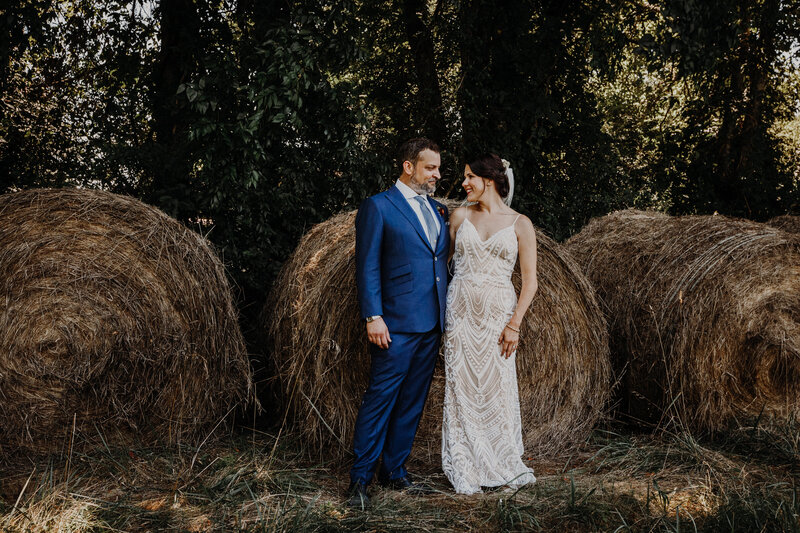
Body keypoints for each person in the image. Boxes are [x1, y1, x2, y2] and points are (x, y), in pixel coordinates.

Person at [348, 138, 450, 508]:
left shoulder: (439, 211)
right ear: (409, 167)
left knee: (412, 402)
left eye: (438, 168)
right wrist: (373, 316)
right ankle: (360, 480)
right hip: (395, 324)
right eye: (431, 168)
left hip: (431, 325)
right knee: (380, 400)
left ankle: (394, 472)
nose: (437, 174)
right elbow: (367, 266)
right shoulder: (379, 206)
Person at [441, 153, 538, 494]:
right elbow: (442, 267)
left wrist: (515, 325)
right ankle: (466, 463)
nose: (463, 183)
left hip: (499, 320)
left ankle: (500, 460)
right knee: (461, 389)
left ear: (489, 180)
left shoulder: (520, 223)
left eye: (469, 177)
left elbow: (530, 282)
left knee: (496, 390)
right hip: (462, 316)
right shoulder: (459, 217)